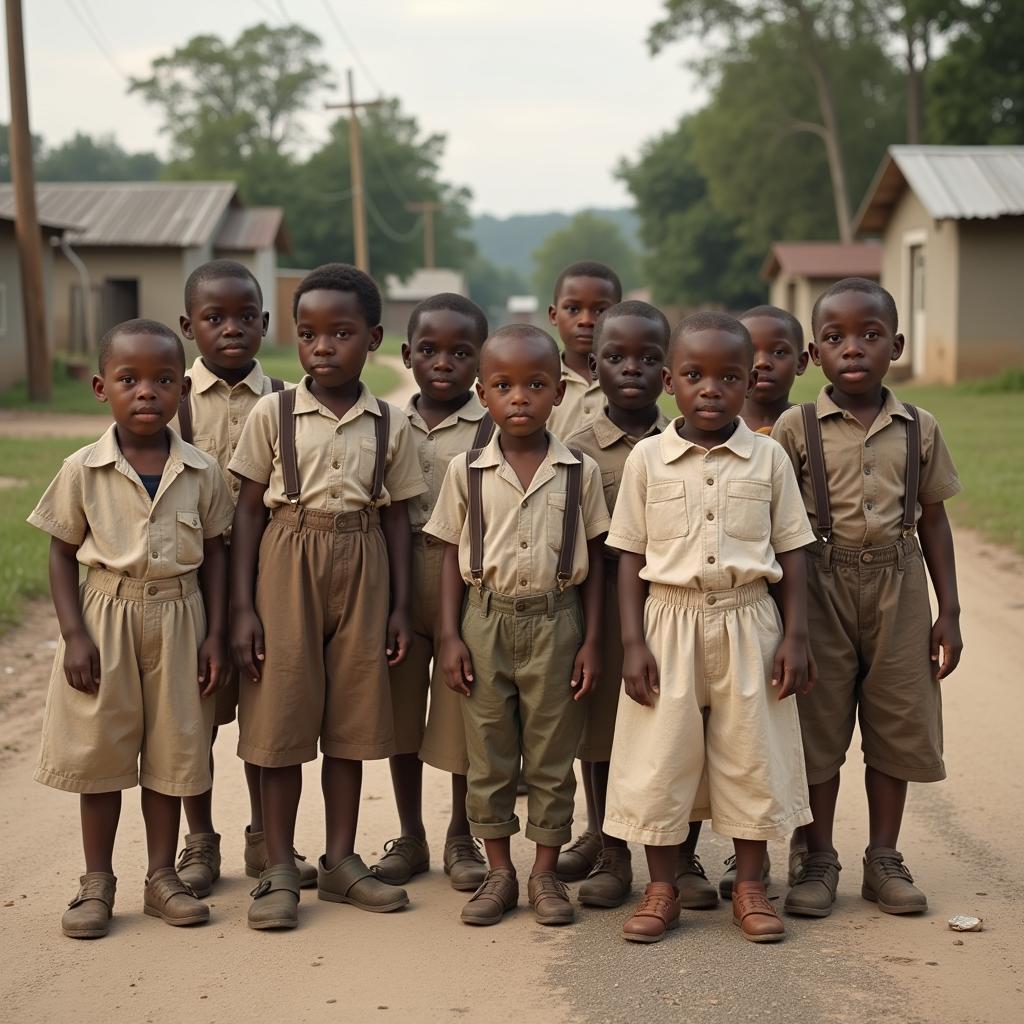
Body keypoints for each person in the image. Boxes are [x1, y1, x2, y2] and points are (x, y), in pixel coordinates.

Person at [604, 312, 816, 944]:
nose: (710, 389)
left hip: (750, 619)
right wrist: (632, 643)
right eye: (694, 375)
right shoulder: (648, 459)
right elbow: (629, 555)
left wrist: (796, 635)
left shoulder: (769, 457)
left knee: (752, 753)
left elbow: (795, 550)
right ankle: (662, 887)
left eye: (728, 376)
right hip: (667, 620)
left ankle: (750, 886)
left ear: (749, 382)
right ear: (670, 381)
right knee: (661, 757)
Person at [228, 263, 427, 930]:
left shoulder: (389, 424)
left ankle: (341, 861)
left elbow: (399, 515)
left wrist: (399, 605)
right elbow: (248, 511)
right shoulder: (271, 412)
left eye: (340, 333)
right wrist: (243, 608)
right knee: (281, 719)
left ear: (371, 338)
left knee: (352, 720)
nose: (322, 347)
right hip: (287, 558)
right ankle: (280, 865)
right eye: (308, 333)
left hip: (365, 560)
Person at [29, 319, 234, 937]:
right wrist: (74, 636)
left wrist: (215, 635)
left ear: (182, 392)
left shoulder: (202, 471)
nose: (146, 392)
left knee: (172, 754)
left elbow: (219, 555)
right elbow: (62, 553)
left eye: (163, 380)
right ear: (101, 388)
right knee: (102, 755)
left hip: (181, 617)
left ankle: (161, 877)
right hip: (105, 617)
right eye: (129, 379)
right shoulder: (82, 469)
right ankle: (96, 884)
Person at [773, 278, 962, 919]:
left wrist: (950, 613)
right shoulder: (793, 428)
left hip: (900, 582)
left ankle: (883, 858)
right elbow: (777, 526)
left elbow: (933, 519)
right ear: (814, 355)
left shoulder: (920, 427)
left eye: (870, 335)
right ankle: (817, 856)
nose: (853, 348)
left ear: (896, 346)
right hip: (819, 581)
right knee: (817, 721)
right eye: (835, 338)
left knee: (898, 716)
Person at [425, 325, 610, 927]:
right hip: (485, 620)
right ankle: (500, 872)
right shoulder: (466, 470)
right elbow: (451, 554)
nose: (520, 398)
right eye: (504, 386)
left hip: (559, 621)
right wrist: (450, 635)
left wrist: (593, 641)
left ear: (559, 391)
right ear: (483, 393)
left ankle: (545, 873)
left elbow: (599, 562)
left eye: (536, 385)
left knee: (554, 753)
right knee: (490, 751)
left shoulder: (579, 470)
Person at [169, 259, 315, 898]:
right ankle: (199, 838)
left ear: (265, 323)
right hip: (192, 578)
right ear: (187, 326)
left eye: (245, 317)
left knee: (264, 704)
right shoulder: (169, 399)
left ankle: (266, 837)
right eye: (213, 318)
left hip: (270, 574)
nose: (232, 328)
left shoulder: (287, 399)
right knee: (193, 712)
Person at [561, 300, 714, 910]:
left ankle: (682, 853)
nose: (632, 369)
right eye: (616, 357)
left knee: (685, 731)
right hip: (601, 606)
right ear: (593, 365)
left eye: (650, 359)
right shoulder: (574, 448)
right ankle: (612, 847)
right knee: (605, 733)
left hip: (679, 608)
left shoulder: (688, 440)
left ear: (671, 371)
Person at [371, 293, 493, 893]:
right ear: (406, 355)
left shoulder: (494, 424)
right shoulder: (386, 421)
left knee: (461, 710)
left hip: (464, 583)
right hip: (396, 575)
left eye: (460, 352)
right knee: (401, 714)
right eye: (429, 350)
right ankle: (411, 834)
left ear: (481, 361)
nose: (443, 362)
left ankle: (460, 834)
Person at [545, 260, 621, 440]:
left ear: (618, 316)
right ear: (554, 315)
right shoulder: (538, 381)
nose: (586, 320)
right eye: (573, 309)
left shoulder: (630, 379)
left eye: (601, 310)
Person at [739, 305, 809, 435]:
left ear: (801, 363)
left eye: (779, 352)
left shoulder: (812, 425)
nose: (762, 362)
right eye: (749, 352)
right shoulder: (716, 426)